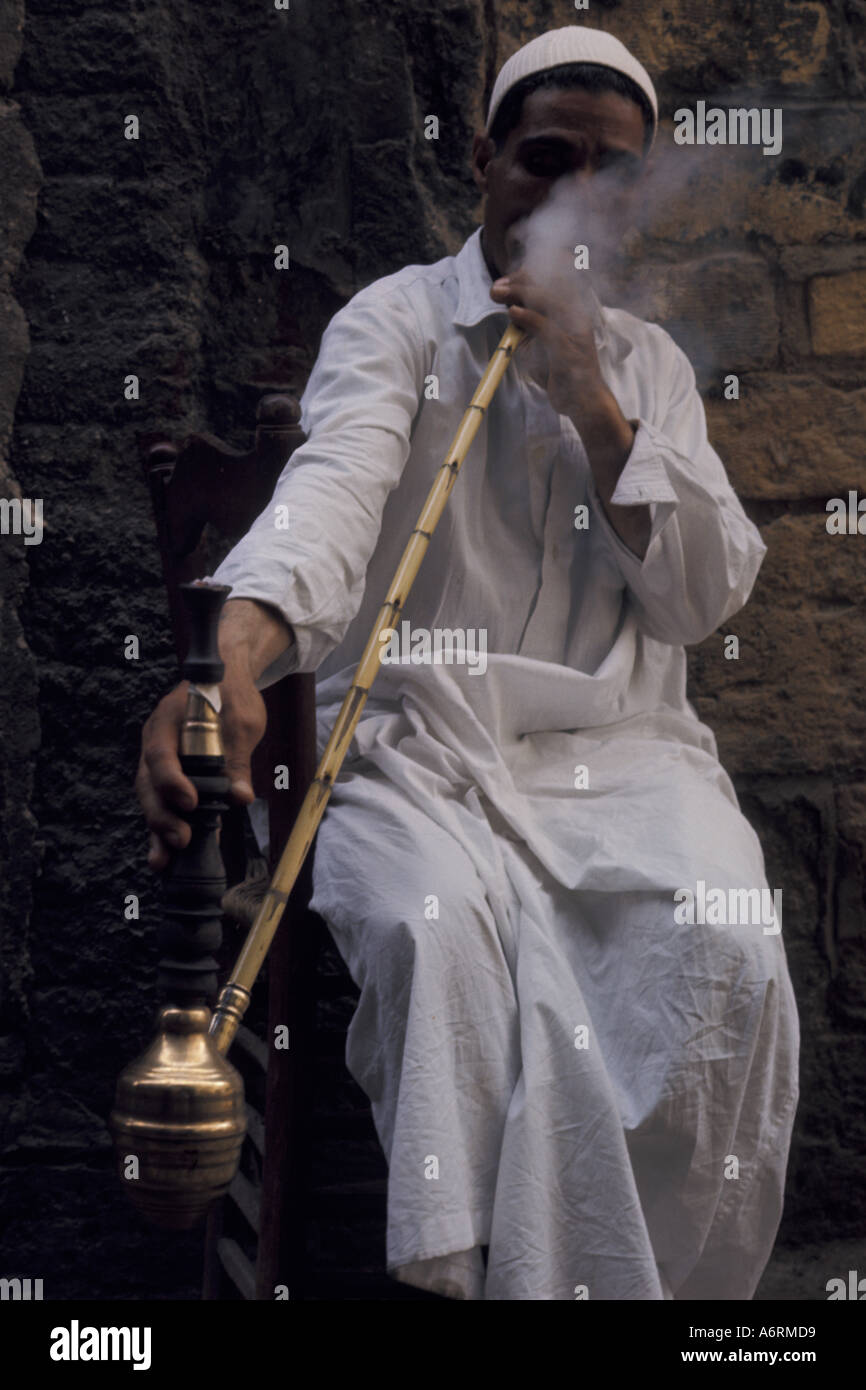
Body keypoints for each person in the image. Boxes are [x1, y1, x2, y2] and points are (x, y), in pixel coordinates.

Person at [136, 26, 799, 1300]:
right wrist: (224, 666)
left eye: (603, 175)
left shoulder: (648, 367)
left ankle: (649, 1287)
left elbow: (700, 596)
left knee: (728, 953)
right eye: (539, 160)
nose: (564, 199)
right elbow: (322, 517)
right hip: (407, 747)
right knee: (431, 942)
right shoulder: (392, 323)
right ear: (483, 159)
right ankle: (482, 1278)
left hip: (618, 758)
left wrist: (593, 402)